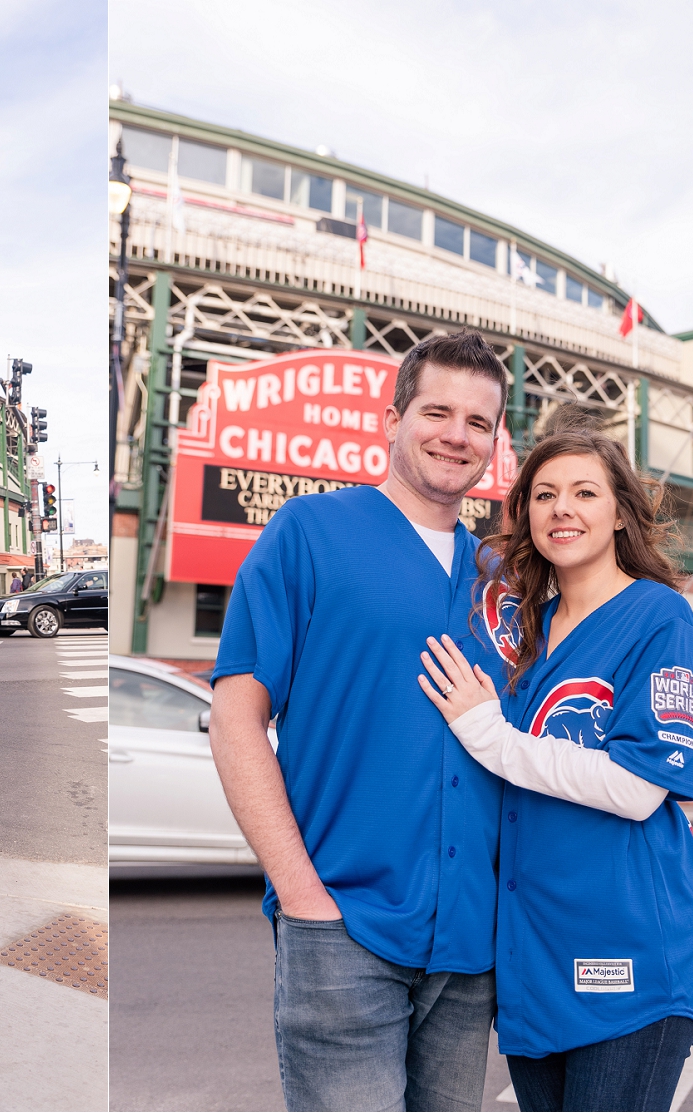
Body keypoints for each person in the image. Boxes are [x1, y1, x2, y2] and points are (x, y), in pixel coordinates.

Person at [208, 330, 514, 1111]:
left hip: (469, 948)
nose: (457, 434)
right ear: (391, 419)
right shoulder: (308, 535)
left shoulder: (498, 581)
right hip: (342, 927)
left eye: (479, 422)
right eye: (437, 411)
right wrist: (302, 893)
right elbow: (235, 716)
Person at [417, 407, 693, 1112]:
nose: (562, 509)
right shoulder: (527, 630)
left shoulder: (659, 619)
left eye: (584, 492)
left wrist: (492, 736)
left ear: (619, 513)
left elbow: (641, 786)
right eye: (543, 494)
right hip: (533, 964)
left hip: (626, 959)